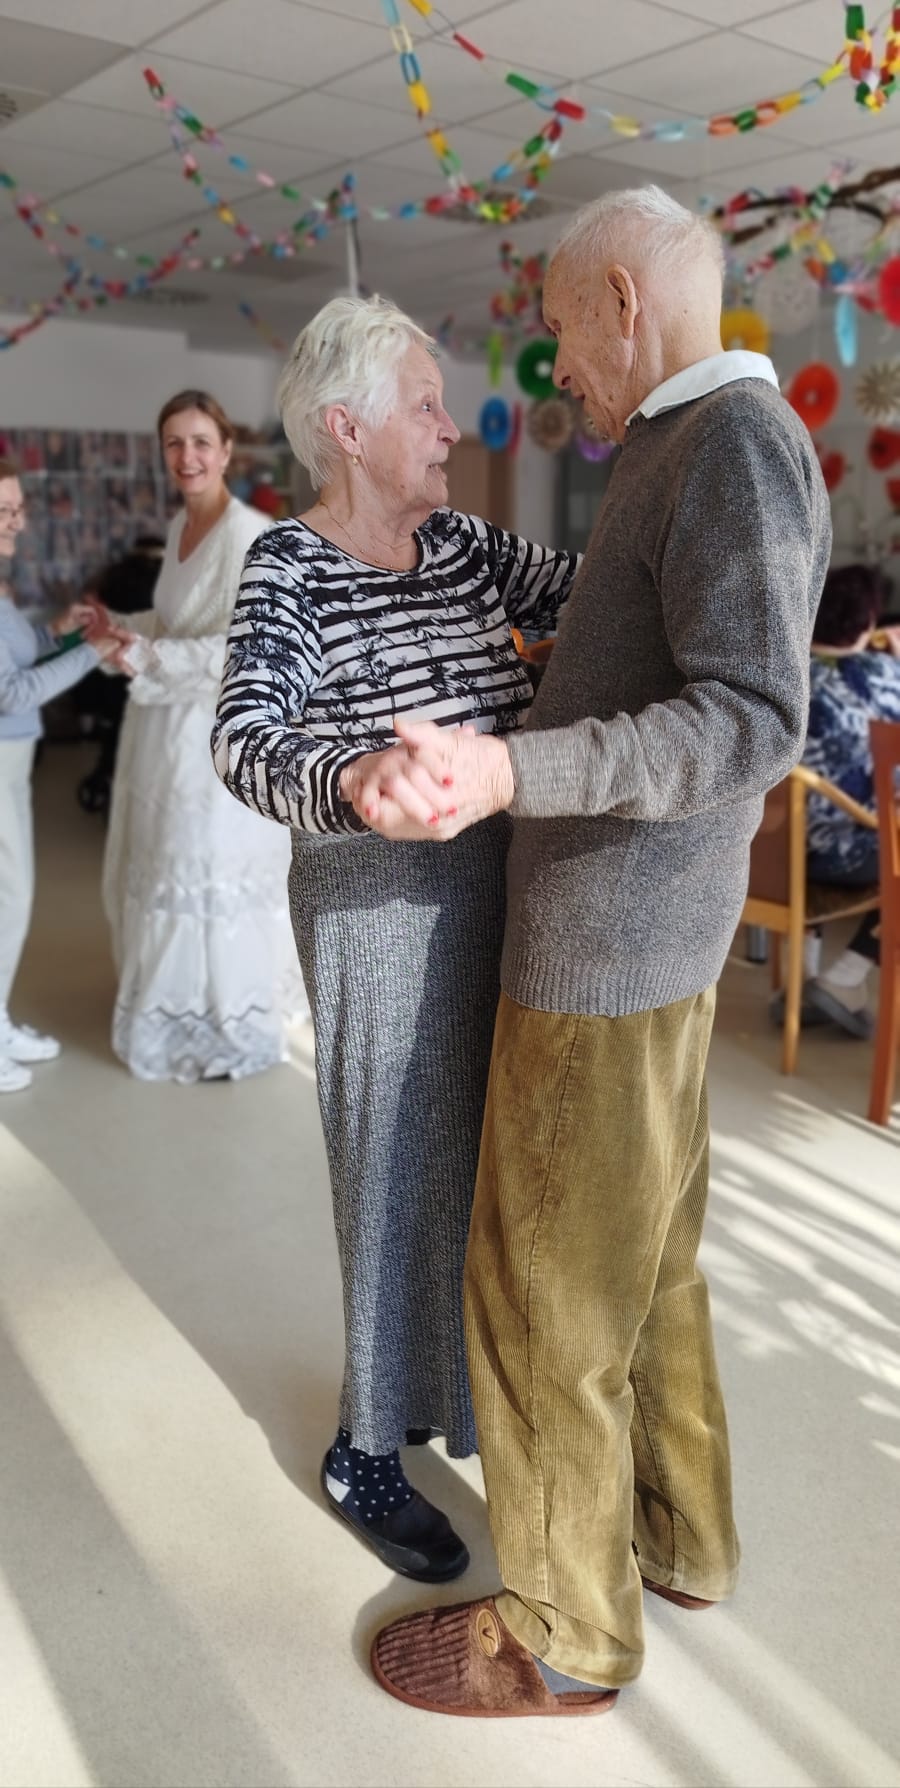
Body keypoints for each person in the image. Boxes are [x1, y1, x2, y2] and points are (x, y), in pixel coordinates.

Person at [353, 187, 832, 1717]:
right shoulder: (688, 446)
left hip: (608, 953)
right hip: (648, 945)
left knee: (540, 1292)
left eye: (563, 328)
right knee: (650, 1273)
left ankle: (562, 1629)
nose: (557, 365)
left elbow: (752, 720)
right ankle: (681, 1539)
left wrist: (512, 767)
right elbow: (676, 667)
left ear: (624, 301)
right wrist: (564, 678)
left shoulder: (732, 447)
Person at [212, 295, 579, 1583]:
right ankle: (366, 1446)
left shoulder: (462, 542)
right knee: (390, 1175)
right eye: (425, 404)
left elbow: (597, 595)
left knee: (480, 1171)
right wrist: (358, 774)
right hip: (373, 905)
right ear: (345, 427)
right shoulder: (289, 564)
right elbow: (243, 739)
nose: (447, 427)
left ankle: (461, 1406)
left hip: (501, 888)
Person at [98, 391, 304, 1082]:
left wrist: (150, 658)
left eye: (200, 442)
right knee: (164, 869)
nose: (187, 456)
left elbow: (248, 650)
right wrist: (121, 631)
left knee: (203, 874)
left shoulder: (252, 535)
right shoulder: (179, 526)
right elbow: (174, 623)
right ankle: (172, 1008)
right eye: (174, 443)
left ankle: (224, 1024)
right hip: (161, 739)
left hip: (215, 748)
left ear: (226, 450)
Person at [0, 455, 128, 1093]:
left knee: (11, 894)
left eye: (18, 508)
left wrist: (62, 636)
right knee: (9, 896)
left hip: (13, 763)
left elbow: (19, 656)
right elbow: (13, 693)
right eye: (4, 511)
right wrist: (92, 654)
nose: (17, 522)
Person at [798, 563, 900, 1036]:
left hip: (771, 859)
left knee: (810, 816)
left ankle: (801, 982)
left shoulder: (784, 676)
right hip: (843, 857)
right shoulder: (882, 676)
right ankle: (845, 977)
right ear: (868, 622)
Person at [75, 535, 165, 814]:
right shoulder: (164, 581)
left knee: (115, 731)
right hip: (148, 667)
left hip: (111, 667)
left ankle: (108, 777)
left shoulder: (110, 576)